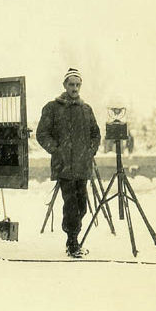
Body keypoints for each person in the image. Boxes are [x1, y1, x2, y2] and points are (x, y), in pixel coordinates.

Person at [36, 68, 101, 257]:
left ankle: (72, 238)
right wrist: (56, 150)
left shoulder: (86, 109)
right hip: (64, 167)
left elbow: (95, 134)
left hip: (82, 166)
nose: (74, 88)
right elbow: (42, 133)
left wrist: (90, 150)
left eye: (77, 84)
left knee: (82, 207)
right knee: (71, 206)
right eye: (71, 84)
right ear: (64, 85)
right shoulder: (52, 108)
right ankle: (72, 244)